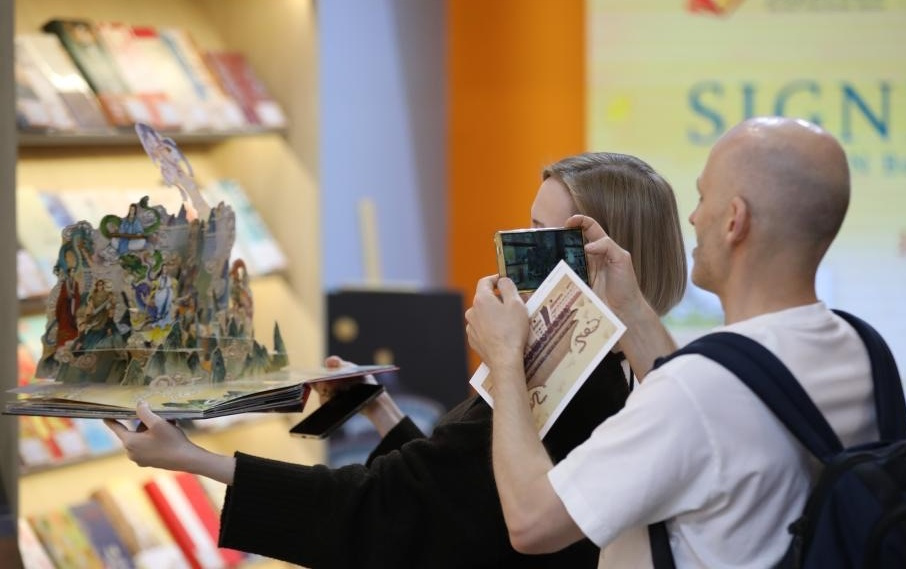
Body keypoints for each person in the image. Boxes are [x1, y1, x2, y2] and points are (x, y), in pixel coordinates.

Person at [105, 152, 688, 568]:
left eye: (540, 237)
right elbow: (456, 490)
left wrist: (191, 458)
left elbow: (388, 506)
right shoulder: (620, 369)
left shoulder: (574, 379)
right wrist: (383, 414)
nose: (515, 255)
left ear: (601, 255)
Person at [465, 116, 879, 567]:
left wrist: (505, 357)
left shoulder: (699, 389)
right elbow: (705, 410)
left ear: (734, 220)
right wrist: (631, 308)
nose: (693, 218)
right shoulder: (861, 351)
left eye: (702, 198)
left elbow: (532, 520)